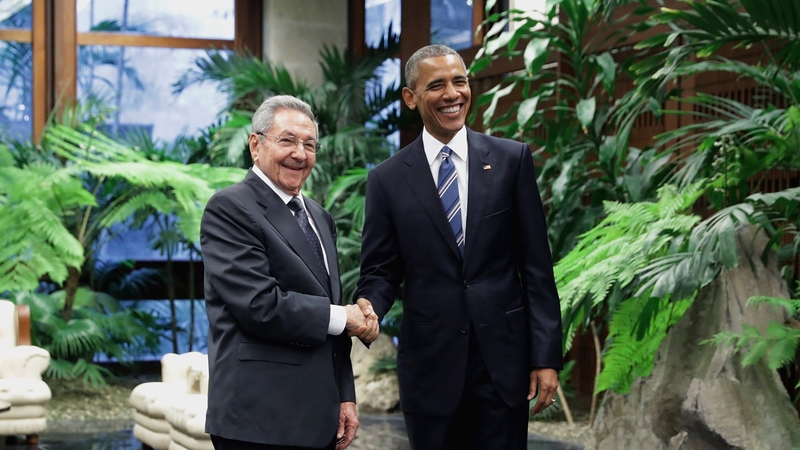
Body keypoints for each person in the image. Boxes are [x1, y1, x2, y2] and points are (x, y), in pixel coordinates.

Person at [354, 44, 564, 449]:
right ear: (411, 98)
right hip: (430, 371)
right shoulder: (388, 179)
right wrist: (368, 307)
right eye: (437, 85)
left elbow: (537, 268)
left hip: (503, 367)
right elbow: (381, 270)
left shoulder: (511, 160)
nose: (452, 94)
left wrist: (546, 357)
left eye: (460, 81)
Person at [200, 95, 379, 450]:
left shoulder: (319, 216)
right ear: (256, 144)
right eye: (287, 140)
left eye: (309, 144)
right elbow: (259, 305)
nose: (300, 153)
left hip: (318, 418)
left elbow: (330, 307)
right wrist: (346, 318)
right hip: (258, 421)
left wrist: (345, 396)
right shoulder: (230, 208)